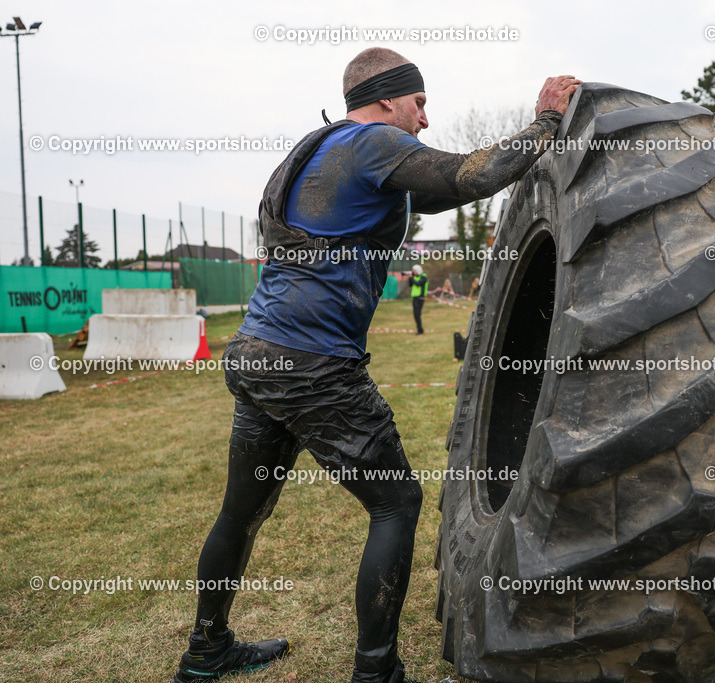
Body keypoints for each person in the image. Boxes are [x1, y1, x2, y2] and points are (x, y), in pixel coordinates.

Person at [172, 46, 579, 683]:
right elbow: (466, 176)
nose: (424, 119)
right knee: (396, 503)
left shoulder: (316, 149)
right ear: (387, 97)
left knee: (240, 512)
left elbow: (437, 194)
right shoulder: (369, 144)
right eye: (419, 103)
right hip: (314, 365)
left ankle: (205, 650)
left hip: (258, 355)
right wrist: (546, 125)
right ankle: (376, 671)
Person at [409, 264, 428, 334]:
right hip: (415, 297)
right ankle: (419, 329)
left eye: (414, 270)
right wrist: (410, 279)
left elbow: (418, 284)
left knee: (417, 314)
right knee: (415, 314)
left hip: (420, 298)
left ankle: (420, 330)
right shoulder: (415, 277)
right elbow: (410, 285)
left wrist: (412, 278)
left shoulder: (423, 277)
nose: (413, 272)